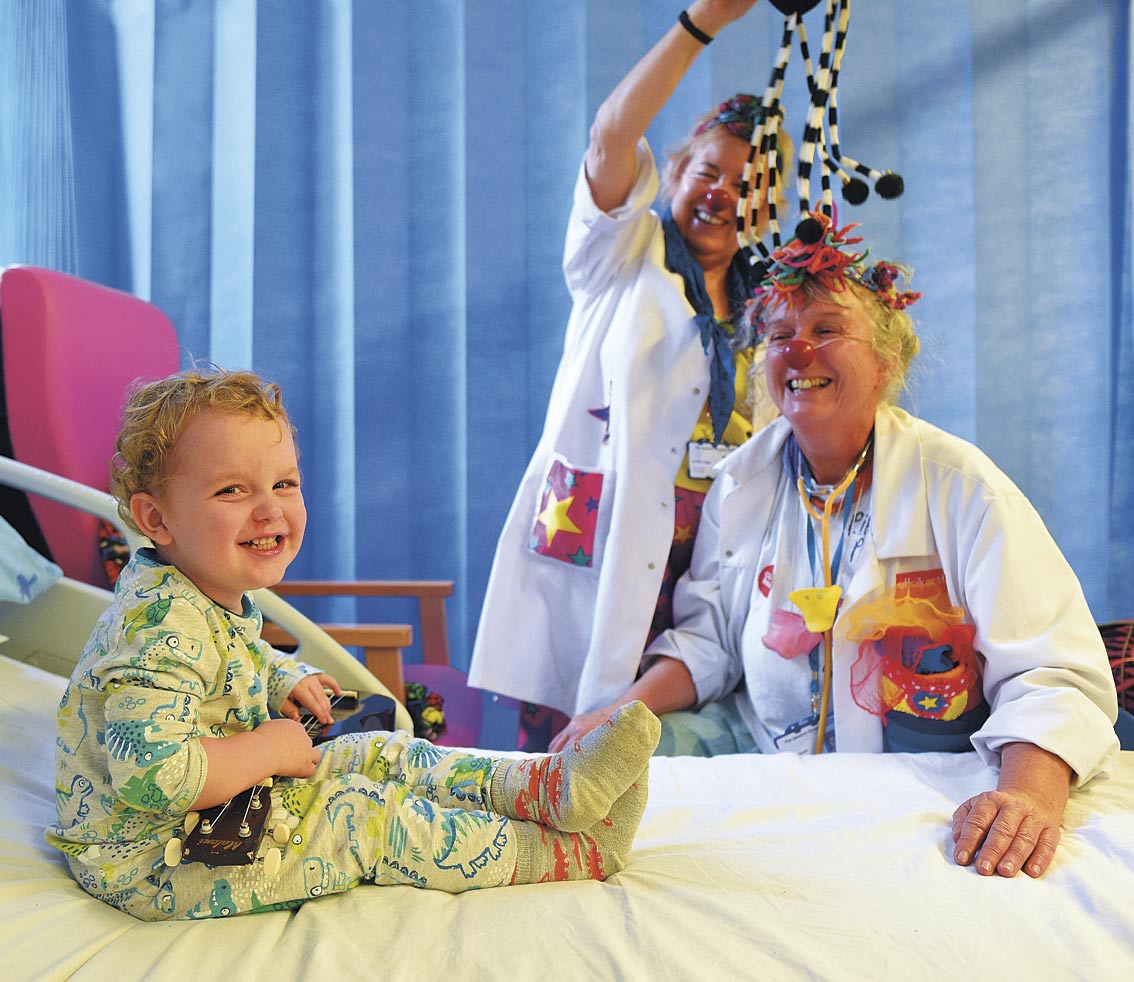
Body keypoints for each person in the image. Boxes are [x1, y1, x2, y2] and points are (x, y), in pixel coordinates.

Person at [548, 213, 1120, 878]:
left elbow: (1053, 674)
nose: (799, 352)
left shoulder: (964, 490)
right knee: (601, 774)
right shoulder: (739, 484)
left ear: (886, 362)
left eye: (826, 330)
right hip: (758, 746)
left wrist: (1027, 793)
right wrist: (615, 714)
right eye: (782, 335)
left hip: (907, 779)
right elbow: (707, 645)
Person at [47, 368, 660, 921]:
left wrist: (283, 678)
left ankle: (549, 789)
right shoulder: (158, 628)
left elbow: (232, 657)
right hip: (159, 857)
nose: (268, 510)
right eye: (232, 491)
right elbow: (152, 775)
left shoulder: (202, 593)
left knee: (380, 753)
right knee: (360, 818)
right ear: (155, 520)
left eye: (284, 482)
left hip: (219, 801)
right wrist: (266, 748)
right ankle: (564, 853)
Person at [470, 1, 788, 743]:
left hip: (699, 560)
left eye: (746, 186)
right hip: (600, 543)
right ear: (675, 171)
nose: (723, 194)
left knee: (651, 748)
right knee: (562, 745)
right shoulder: (620, 251)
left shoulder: (764, 305)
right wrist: (702, 22)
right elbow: (612, 133)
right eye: (709, 172)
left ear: (767, 207)